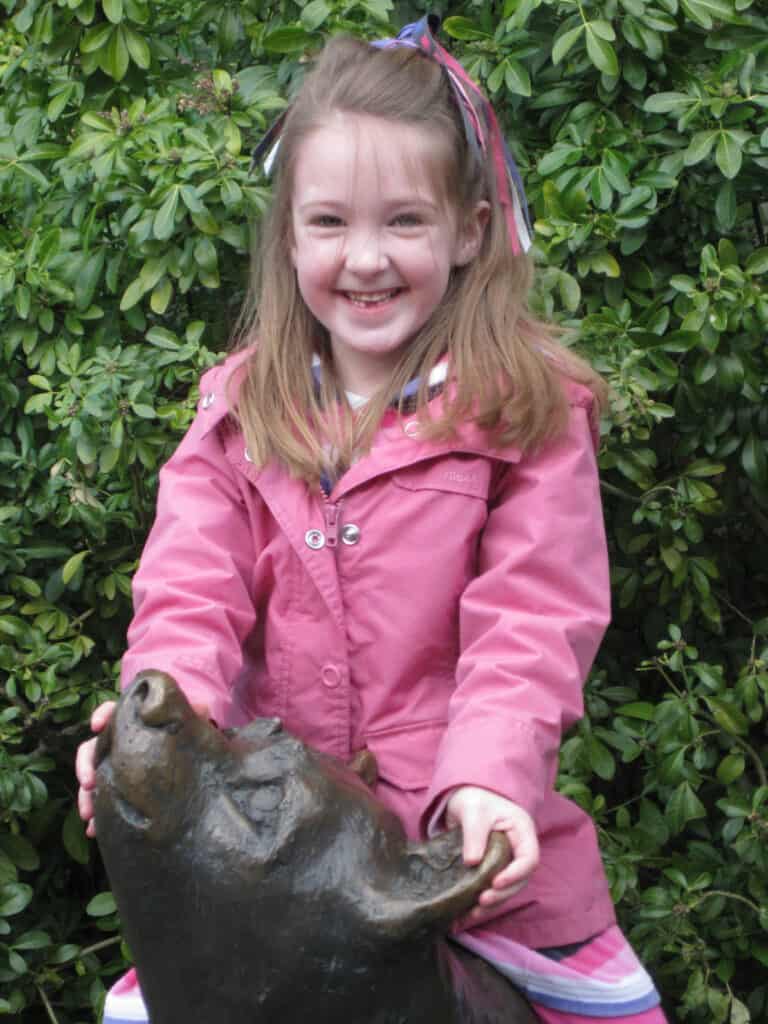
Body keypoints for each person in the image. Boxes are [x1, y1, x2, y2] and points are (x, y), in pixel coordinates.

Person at [76, 16, 667, 1024]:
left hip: (468, 855)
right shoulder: (237, 409)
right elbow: (187, 590)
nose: (365, 259)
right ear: (289, 232)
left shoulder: (526, 409)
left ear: (470, 228)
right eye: (330, 223)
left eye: (404, 221)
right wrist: (157, 728)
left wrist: (487, 784)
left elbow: (532, 620)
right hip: (284, 872)